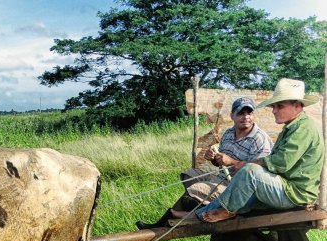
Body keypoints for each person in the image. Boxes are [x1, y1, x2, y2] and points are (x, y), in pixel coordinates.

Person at [195, 78, 324, 223]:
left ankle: (226, 211)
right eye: (273, 106)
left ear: (297, 106)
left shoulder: (302, 129)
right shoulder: (292, 127)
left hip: (295, 193)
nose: (274, 111)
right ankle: (197, 215)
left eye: (279, 106)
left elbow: (281, 163)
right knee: (245, 190)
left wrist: (244, 164)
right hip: (284, 185)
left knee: (250, 171)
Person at [136, 96, 273, 229]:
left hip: (239, 188)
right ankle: (205, 206)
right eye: (241, 113)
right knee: (189, 174)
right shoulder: (229, 133)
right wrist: (214, 158)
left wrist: (231, 161)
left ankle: (169, 220)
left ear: (253, 115)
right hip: (222, 178)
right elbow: (220, 163)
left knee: (196, 189)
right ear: (232, 116)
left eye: (249, 113)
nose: (246, 117)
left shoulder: (259, 139)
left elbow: (259, 170)